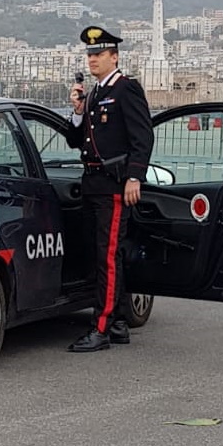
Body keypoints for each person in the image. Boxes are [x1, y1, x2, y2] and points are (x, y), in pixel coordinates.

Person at [64, 25, 154, 353]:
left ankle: (101, 326)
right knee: (100, 253)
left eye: (99, 54)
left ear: (114, 57)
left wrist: (135, 177)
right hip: (92, 183)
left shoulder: (125, 89)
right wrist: (76, 112)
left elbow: (142, 137)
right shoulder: (95, 94)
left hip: (114, 183)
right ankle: (116, 322)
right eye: (89, 54)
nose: (92, 60)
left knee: (107, 257)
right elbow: (76, 140)